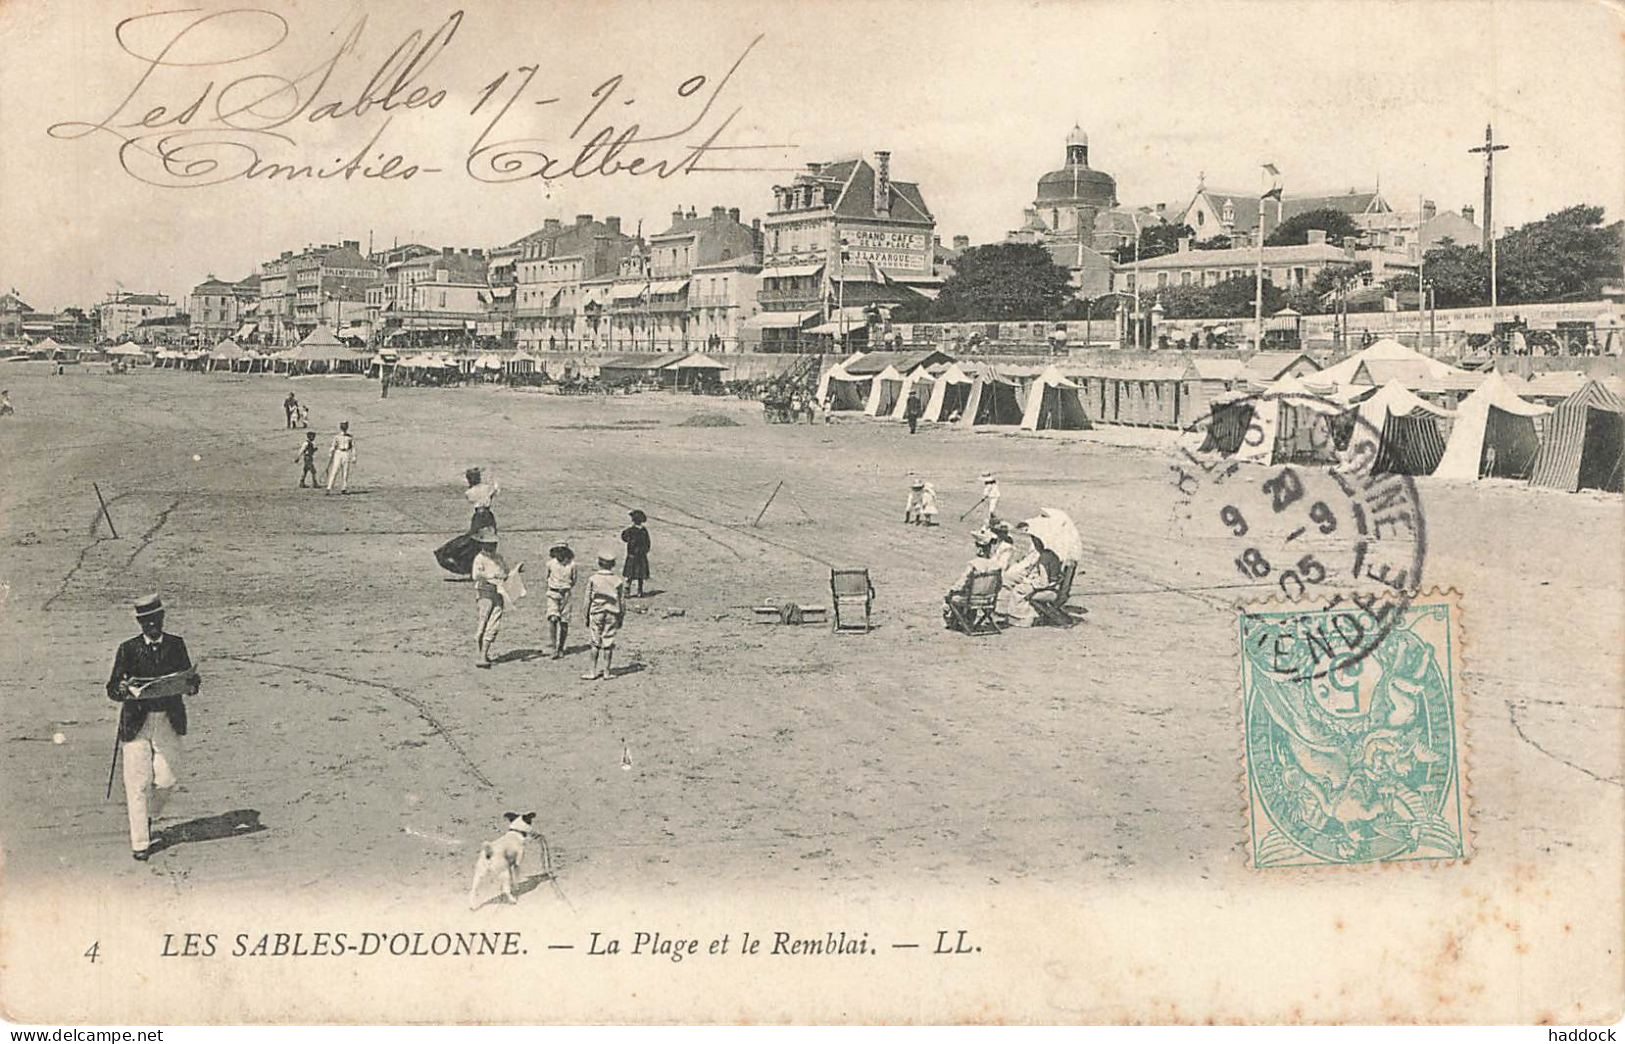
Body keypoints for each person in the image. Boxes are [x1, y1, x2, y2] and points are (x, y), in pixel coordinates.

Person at [106, 594, 199, 860]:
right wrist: (121, 689)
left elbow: (189, 681)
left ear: (162, 618)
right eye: (146, 622)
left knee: (168, 779)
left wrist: (192, 685)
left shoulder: (176, 645)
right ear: (140, 623)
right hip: (136, 723)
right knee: (137, 784)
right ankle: (141, 844)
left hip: (167, 720)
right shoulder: (128, 649)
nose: (152, 626)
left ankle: (149, 813)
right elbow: (112, 688)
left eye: (155, 620)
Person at [435, 468, 501, 576]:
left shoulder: (469, 492)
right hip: (488, 515)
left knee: (474, 539)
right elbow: (495, 490)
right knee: (486, 537)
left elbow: (473, 497)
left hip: (478, 516)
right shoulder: (486, 488)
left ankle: (472, 564)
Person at [582, 548, 626, 681]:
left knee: (595, 641)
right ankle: (607, 672)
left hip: (596, 612)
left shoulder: (593, 579)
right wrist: (621, 616)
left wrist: (586, 615)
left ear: (598, 563)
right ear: (613, 565)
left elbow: (587, 599)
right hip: (612, 613)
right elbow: (622, 601)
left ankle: (592, 671)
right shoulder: (617, 580)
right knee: (608, 642)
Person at [1003, 530, 1063, 626]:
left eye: (1035, 541)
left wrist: (1029, 582)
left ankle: (1024, 617)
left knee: (1019, 590)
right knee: (1020, 586)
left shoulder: (1043, 559)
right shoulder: (1051, 554)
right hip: (1054, 586)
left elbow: (1043, 583)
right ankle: (1026, 615)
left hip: (1048, 589)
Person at [943, 532, 1002, 629]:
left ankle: (954, 621)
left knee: (953, 597)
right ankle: (968, 620)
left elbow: (961, 583)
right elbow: (999, 585)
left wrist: (951, 590)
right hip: (988, 600)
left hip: (971, 599)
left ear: (979, 549)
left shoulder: (973, 565)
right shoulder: (996, 565)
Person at [470, 528, 509, 668]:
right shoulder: (480, 559)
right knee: (483, 621)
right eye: (489, 544)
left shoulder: (498, 558)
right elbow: (475, 575)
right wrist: (491, 577)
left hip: (499, 591)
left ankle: (483, 655)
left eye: (494, 544)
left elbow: (505, 571)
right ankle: (481, 654)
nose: (492, 546)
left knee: (494, 622)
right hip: (485, 592)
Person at [544, 543, 578, 659]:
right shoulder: (550, 564)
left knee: (564, 622)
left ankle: (561, 647)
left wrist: (565, 588)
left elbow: (574, 580)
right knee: (553, 619)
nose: (560, 553)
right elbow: (547, 577)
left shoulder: (572, 565)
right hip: (553, 593)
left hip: (566, 594)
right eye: (558, 551)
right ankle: (554, 647)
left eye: (562, 551)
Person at [621, 510, 651, 597]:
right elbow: (648, 543)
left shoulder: (631, 530)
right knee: (640, 575)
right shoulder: (644, 531)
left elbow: (624, 538)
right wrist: (644, 551)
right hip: (641, 556)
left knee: (630, 575)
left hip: (632, 555)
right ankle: (639, 591)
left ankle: (627, 591)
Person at [325, 421, 355, 494]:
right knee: (335, 470)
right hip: (338, 453)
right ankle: (329, 487)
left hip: (346, 453)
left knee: (345, 471)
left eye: (345, 427)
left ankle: (344, 488)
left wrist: (354, 456)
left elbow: (353, 447)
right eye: (343, 427)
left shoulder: (350, 437)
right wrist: (330, 453)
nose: (344, 428)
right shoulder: (337, 437)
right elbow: (333, 446)